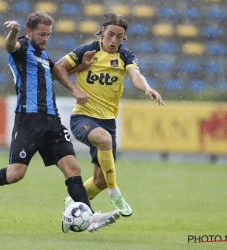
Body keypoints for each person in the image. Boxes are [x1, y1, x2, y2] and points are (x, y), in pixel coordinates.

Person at [0, 11, 121, 233]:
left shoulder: (42, 56)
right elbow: (9, 46)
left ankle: (90, 217)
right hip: (28, 120)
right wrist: (13, 32)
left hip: (52, 121)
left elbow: (55, 75)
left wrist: (81, 68)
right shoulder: (21, 47)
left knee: (73, 167)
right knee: (15, 174)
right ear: (29, 32)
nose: (45, 39)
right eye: (41, 34)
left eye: (48, 35)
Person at [53, 12, 165, 232]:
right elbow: (58, 68)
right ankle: (116, 193)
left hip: (108, 122)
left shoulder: (125, 55)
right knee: (104, 141)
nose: (114, 40)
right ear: (102, 31)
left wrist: (147, 88)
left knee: (100, 181)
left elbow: (135, 77)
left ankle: (73, 205)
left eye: (119, 36)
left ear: (124, 38)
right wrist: (75, 89)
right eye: (111, 34)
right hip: (83, 118)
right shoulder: (86, 50)